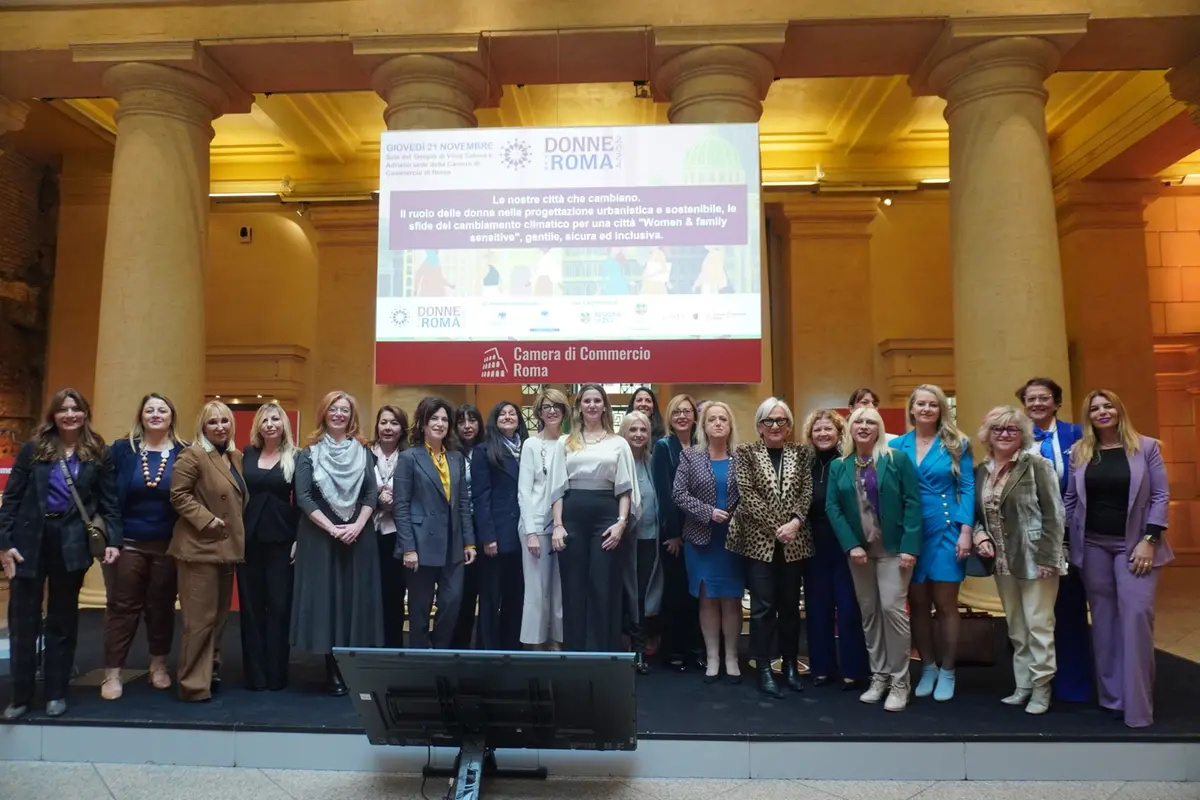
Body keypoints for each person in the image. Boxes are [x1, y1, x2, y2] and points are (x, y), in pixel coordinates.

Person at [1, 389, 121, 720]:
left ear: (86, 413)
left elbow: (110, 501)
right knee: (23, 621)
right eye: (63, 409)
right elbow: (11, 499)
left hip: (71, 541)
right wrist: (4, 543)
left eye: (76, 409)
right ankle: (20, 695)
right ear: (53, 415)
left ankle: (56, 692)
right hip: (29, 541)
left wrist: (114, 540)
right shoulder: (32, 450)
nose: (70, 415)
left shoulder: (98, 452)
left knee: (62, 620)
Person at [1065, 389, 1173, 729]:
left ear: (1119, 409)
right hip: (1093, 547)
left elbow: (1160, 495)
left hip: (1136, 547)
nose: (1101, 412)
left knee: (1137, 618)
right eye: (1094, 408)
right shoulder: (1080, 452)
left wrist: (1149, 540)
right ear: (1089, 417)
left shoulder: (1147, 447)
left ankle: (1139, 706)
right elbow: (1070, 500)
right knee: (1105, 623)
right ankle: (1113, 698)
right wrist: (1066, 542)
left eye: (1107, 405)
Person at [826, 406, 922, 712]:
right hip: (860, 554)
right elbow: (833, 508)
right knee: (869, 613)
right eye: (858, 422)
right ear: (850, 429)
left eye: (871, 422)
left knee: (892, 610)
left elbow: (912, 502)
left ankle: (900, 682)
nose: (864, 426)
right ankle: (879, 677)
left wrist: (910, 546)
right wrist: (850, 544)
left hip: (894, 550)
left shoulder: (897, 460)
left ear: (879, 428)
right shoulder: (840, 466)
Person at [973, 405, 1065, 714]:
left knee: (1039, 624)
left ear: (1022, 434)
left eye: (1012, 429)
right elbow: (976, 516)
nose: (1004, 434)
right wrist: (979, 536)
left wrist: (1049, 557)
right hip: (1002, 562)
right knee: (1016, 626)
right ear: (988, 435)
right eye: (998, 429)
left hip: (1036, 559)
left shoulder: (1037, 464)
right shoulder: (981, 471)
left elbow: (1055, 515)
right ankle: (1022, 685)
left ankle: (1042, 688)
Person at [290, 391, 382, 695]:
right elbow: (303, 497)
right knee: (328, 601)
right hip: (320, 537)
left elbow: (371, 493)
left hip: (359, 536)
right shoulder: (308, 453)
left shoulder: (365, 451)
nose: (339, 414)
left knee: (355, 601)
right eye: (334, 409)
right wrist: (332, 528)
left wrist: (356, 525)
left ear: (352, 415)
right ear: (324, 413)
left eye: (345, 410)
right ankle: (332, 669)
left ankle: (354, 666)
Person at [890, 383, 975, 702]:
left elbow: (967, 486)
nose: (926, 409)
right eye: (920, 404)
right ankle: (927, 666)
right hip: (910, 530)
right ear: (911, 409)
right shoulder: (899, 445)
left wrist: (966, 529)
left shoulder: (957, 442)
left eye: (932, 404)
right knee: (919, 604)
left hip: (947, 527)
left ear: (942, 409)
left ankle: (948, 669)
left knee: (946, 604)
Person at [729, 397, 813, 698]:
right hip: (759, 542)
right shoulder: (746, 452)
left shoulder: (802, 454)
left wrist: (794, 523)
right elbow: (747, 494)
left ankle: (789, 664)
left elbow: (806, 491)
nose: (775, 426)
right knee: (763, 608)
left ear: (789, 425)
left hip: (795, 541)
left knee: (790, 607)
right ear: (759, 426)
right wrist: (778, 527)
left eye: (781, 421)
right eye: (769, 421)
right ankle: (763, 666)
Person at [103, 393, 184, 700]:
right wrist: (112, 538)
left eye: (162, 409)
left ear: (171, 416)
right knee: (122, 608)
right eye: (149, 409)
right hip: (128, 544)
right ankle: (112, 673)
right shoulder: (123, 450)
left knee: (161, 607)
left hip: (167, 545)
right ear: (141, 416)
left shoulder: (184, 452)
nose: (155, 414)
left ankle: (159, 666)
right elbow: (108, 497)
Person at [1018, 377, 1093, 704]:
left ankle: (1074, 685)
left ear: (1057, 402)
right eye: (1031, 399)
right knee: (1038, 613)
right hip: (1031, 537)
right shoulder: (1015, 437)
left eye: (1043, 398)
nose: (1036, 404)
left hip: (1072, 531)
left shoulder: (1077, 435)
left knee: (1071, 607)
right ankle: (1040, 681)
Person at [548, 383, 638, 652]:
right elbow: (556, 488)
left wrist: (621, 523)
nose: (592, 405)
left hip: (606, 519)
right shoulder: (565, 442)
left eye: (597, 400)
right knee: (574, 588)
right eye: (587, 400)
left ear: (604, 406)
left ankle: (604, 652)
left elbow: (625, 488)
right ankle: (575, 653)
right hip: (572, 516)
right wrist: (558, 525)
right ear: (579, 406)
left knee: (603, 586)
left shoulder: (618, 443)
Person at [168, 401, 246, 703]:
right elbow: (178, 495)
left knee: (218, 618)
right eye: (212, 422)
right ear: (202, 426)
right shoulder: (193, 454)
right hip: (199, 547)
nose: (219, 427)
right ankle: (192, 684)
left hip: (226, 549)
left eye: (224, 421)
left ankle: (210, 670)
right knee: (199, 621)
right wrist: (207, 519)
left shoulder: (234, 457)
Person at [395, 397, 477, 649]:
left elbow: (463, 503)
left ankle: (439, 651)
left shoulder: (455, 457)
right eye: (434, 419)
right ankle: (419, 659)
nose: (440, 424)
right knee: (419, 610)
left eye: (444, 419)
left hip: (453, 544)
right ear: (422, 423)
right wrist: (408, 547)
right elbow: (401, 505)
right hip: (420, 545)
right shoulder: (410, 457)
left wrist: (469, 542)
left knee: (452, 603)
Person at [672, 402, 744, 685]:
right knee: (707, 598)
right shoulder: (690, 457)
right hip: (701, 540)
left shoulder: (742, 457)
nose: (717, 423)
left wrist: (735, 516)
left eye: (722, 419)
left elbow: (752, 494)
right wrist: (707, 512)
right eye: (711, 419)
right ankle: (712, 657)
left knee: (731, 599)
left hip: (733, 539)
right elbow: (678, 494)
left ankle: (732, 657)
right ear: (703, 426)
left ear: (729, 425)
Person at [801, 409, 868, 690]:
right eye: (817, 430)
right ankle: (822, 668)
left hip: (845, 542)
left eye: (828, 429)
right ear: (810, 435)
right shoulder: (803, 465)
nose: (823, 434)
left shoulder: (850, 463)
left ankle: (853, 669)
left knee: (849, 607)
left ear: (839, 433)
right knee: (817, 608)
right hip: (812, 543)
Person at [238, 402, 299, 691]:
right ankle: (255, 675)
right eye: (265, 420)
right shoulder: (245, 455)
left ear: (283, 424)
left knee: (278, 606)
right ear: (258, 426)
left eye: (275, 419)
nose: (270, 424)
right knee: (251, 608)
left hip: (282, 541)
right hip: (248, 540)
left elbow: (301, 501)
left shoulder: (295, 457)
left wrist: (299, 539)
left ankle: (276, 675)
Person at [651, 393, 703, 671]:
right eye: (676, 412)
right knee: (675, 593)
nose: (682, 416)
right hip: (673, 532)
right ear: (670, 418)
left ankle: (696, 648)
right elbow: (663, 493)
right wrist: (672, 532)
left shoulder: (702, 445)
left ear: (695, 416)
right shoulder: (663, 447)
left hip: (701, 530)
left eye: (687, 411)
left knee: (697, 593)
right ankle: (674, 650)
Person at [472, 400, 529, 650]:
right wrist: (488, 537)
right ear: (494, 421)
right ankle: (488, 649)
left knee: (515, 596)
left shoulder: (528, 448)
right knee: (490, 597)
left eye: (512, 413)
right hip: (495, 535)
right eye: (502, 414)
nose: (507, 417)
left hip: (522, 534)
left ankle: (511, 648)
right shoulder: (484, 451)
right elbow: (480, 496)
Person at [517, 387, 568, 650]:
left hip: (563, 526)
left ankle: (556, 640)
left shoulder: (570, 442)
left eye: (556, 407)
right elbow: (524, 491)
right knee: (536, 590)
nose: (551, 411)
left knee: (558, 588)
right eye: (546, 407)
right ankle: (534, 643)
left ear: (564, 411)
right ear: (539, 412)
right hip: (535, 523)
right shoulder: (530, 444)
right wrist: (531, 532)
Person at [620, 411, 664, 674]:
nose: (638, 434)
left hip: (650, 539)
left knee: (645, 594)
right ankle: (632, 647)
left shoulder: (652, 461)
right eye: (632, 430)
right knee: (629, 594)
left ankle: (641, 645)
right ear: (623, 434)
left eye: (643, 430)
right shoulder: (617, 461)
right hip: (624, 541)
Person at [371, 405, 410, 648]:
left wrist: (396, 503)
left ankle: (392, 649)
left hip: (398, 534)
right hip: (367, 533)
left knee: (394, 595)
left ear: (402, 428)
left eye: (394, 423)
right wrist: (376, 500)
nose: (388, 428)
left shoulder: (410, 456)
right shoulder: (364, 455)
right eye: (384, 422)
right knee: (369, 595)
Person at [450, 404, 485, 649]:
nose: (467, 426)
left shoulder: (487, 451)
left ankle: (481, 647)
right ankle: (457, 646)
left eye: (472, 420)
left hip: (483, 526)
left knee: (482, 588)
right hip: (456, 526)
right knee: (459, 592)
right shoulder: (450, 453)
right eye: (461, 422)